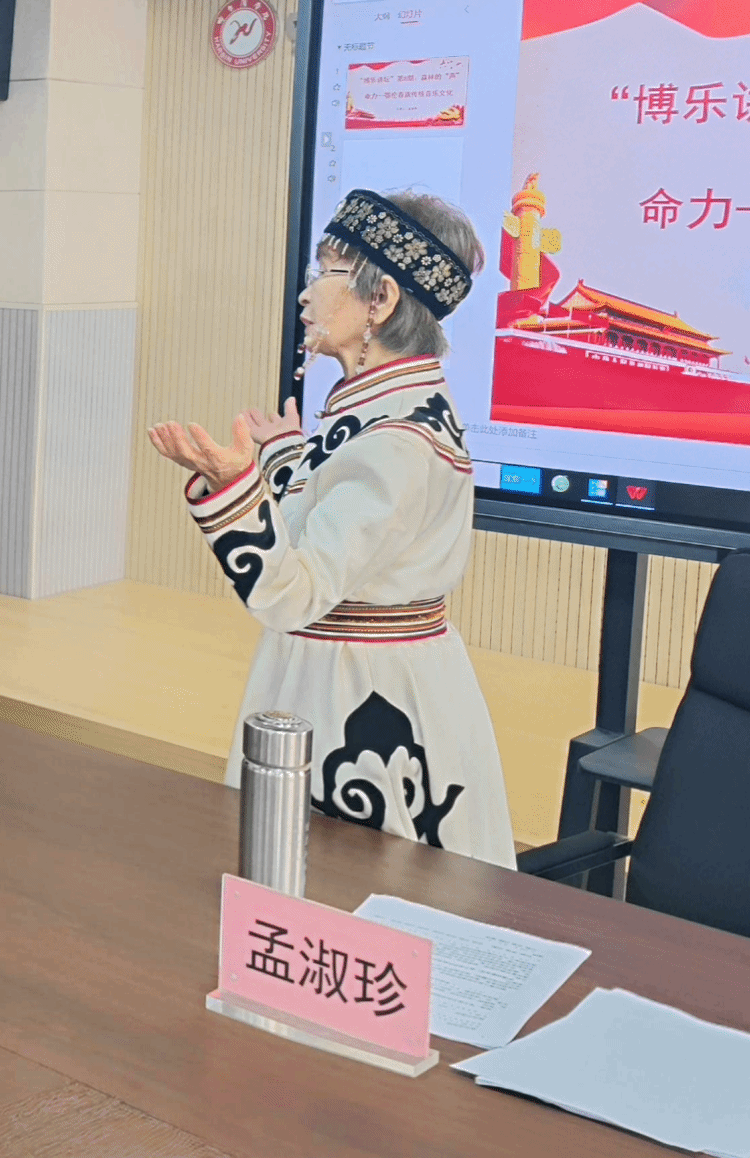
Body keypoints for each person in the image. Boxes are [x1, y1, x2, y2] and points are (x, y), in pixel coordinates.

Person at [147, 188, 516, 868]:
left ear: (381, 301)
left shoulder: (396, 440)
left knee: (346, 882)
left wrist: (233, 489)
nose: (307, 293)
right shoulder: (396, 408)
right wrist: (286, 456)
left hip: (359, 690)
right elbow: (335, 518)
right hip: (361, 668)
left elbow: (293, 593)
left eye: (326, 271)